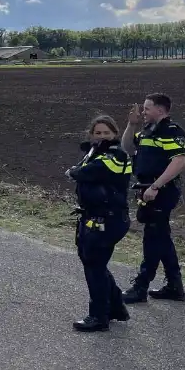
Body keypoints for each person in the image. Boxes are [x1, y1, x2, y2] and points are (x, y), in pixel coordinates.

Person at [65, 115, 133, 332]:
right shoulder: (94, 153)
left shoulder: (117, 155)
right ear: (91, 135)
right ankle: (115, 308)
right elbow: (84, 171)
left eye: (106, 133)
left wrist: (74, 172)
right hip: (92, 217)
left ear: (114, 134)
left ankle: (98, 317)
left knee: (94, 266)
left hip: (110, 219)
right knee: (94, 263)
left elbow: (89, 172)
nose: (102, 136)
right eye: (98, 133)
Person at [120, 93, 185, 303]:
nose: (143, 112)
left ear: (160, 110)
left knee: (153, 239)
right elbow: (127, 147)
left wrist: (156, 185)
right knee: (161, 237)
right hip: (148, 190)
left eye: (146, 108)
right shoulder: (147, 131)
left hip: (161, 191)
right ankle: (174, 286)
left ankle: (141, 286)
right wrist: (131, 125)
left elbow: (179, 162)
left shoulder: (171, 131)